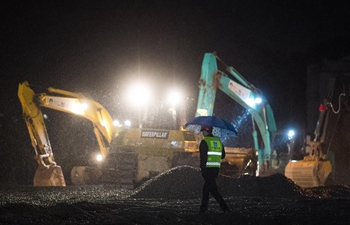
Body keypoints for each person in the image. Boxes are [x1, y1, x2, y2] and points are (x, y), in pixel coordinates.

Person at [199, 125, 231, 213]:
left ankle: (225, 208)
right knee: (206, 189)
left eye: (203, 131)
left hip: (207, 169)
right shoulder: (218, 141)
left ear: (206, 131)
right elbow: (223, 156)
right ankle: (203, 209)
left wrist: (202, 169)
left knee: (213, 190)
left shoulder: (204, 141)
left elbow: (203, 157)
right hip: (216, 169)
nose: (202, 133)